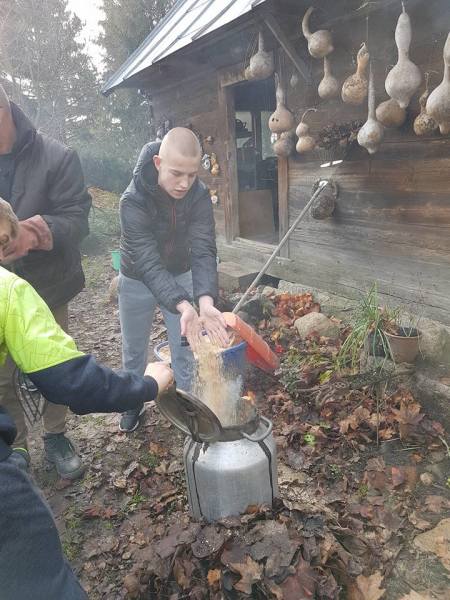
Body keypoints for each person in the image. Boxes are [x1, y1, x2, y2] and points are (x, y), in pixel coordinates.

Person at [0, 198, 174, 600]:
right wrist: (146, 385)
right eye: (4, 243)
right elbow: (69, 379)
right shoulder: (8, 291)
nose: (8, 256)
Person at [0, 84, 92, 479]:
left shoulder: (57, 157)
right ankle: (15, 445)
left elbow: (78, 218)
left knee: (53, 360)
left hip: (47, 284)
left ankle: (56, 434)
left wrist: (34, 234)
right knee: (2, 374)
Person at [118, 127, 228, 432]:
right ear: (157, 163)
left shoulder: (199, 194)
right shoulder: (133, 200)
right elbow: (149, 263)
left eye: (192, 175)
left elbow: (204, 248)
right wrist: (182, 303)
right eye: (177, 173)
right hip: (137, 278)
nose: (184, 184)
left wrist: (204, 301)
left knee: (185, 347)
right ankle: (131, 404)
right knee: (134, 348)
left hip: (181, 272)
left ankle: (190, 406)